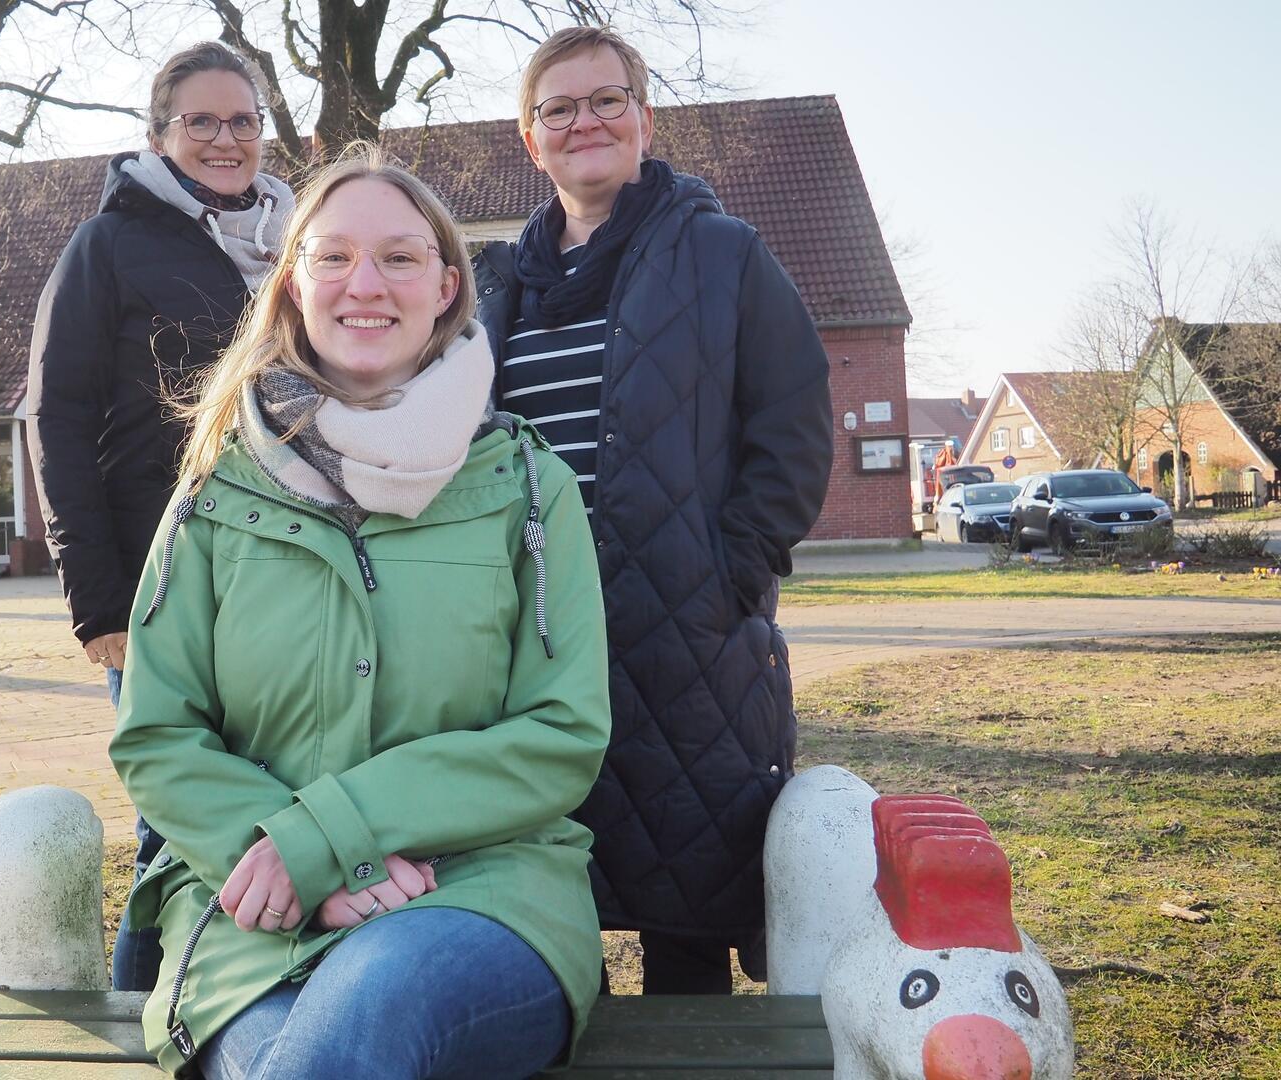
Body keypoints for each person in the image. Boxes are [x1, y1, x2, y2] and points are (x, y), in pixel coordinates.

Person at [109, 149, 612, 1079]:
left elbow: (562, 731)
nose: (364, 285)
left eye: (399, 258)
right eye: (332, 257)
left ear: (447, 285)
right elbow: (156, 734)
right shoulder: (215, 490)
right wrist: (293, 861)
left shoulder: (531, 488)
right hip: (250, 905)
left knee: (370, 1010)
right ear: (293, 286)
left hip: (484, 895)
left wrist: (331, 841)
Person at [474, 26, 833, 994]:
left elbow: (794, 423)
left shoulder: (721, 253)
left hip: (686, 633)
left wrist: (733, 569)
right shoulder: (494, 284)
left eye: (606, 99)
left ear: (642, 116)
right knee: (539, 893)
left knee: (685, 910)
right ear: (530, 137)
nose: (584, 121)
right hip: (529, 635)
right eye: (559, 107)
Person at [24, 41, 294, 992]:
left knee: (268, 818)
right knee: (173, 825)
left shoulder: (297, 246)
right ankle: (142, 1019)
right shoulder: (109, 246)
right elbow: (54, 419)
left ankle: (239, 1002)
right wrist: (96, 605)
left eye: (244, 120)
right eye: (202, 121)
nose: (227, 139)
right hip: (158, 586)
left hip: (280, 585)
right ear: (158, 135)